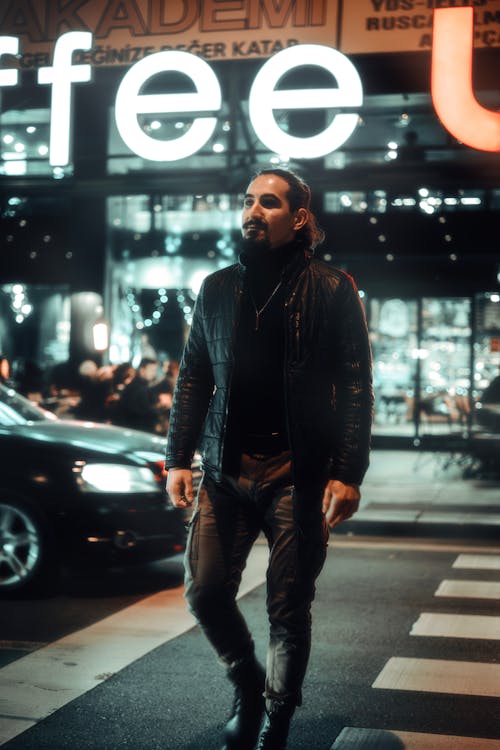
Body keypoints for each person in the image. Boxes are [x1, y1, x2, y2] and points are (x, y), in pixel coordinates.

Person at [165, 168, 373, 750]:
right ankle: (247, 682)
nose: (253, 211)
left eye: (270, 202)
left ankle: (277, 721)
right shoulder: (216, 288)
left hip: (296, 471)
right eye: (249, 201)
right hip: (225, 469)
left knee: (288, 605)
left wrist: (347, 472)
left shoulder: (333, 288)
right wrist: (177, 457)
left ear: (299, 217)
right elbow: (194, 378)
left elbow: (357, 384)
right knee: (205, 591)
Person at [113, 357, 162, 432]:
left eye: (155, 370)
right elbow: (144, 412)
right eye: (152, 370)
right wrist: (159, 408)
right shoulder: (139, 389)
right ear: (142, 370)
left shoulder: (139, 386)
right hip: (136, 431)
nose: (154, 373)